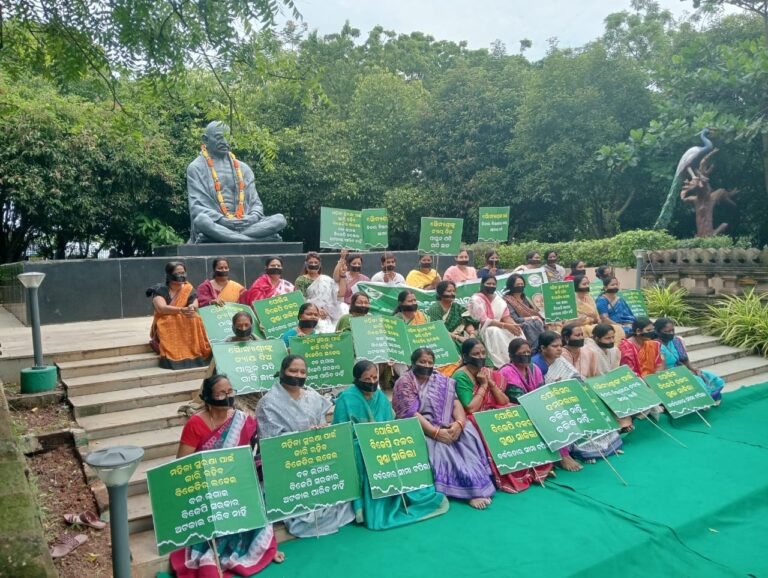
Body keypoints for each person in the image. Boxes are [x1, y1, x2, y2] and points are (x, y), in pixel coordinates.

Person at [171, 374, 283, 576]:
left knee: (259, 492)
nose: (228, 396)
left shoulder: (242, 420)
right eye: (221, 393)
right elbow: (182, 465)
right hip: (206, 484)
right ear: (208, 398)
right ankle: (212, 554)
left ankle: (261, 548)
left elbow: (250, 453)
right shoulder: (195, 424)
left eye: (230, 391)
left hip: (237, 481)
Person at [332, 360, 449, 529]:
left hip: (382, 440)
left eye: (374, 377)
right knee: (362, 453)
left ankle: (404, 495)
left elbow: (389, 423)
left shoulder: (380, 396)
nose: (372, 382)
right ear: (357, 379)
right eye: (367, 379)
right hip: (358, 444)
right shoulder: (347, 398)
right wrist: (366, 439)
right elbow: (341, 433)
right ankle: (368, 508)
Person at [256, 355, 355, 537]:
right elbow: (270, 443)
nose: (298, 375)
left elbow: (322, 422)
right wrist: (302, 436)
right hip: (288, 463)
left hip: (316, 454)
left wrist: (321, 429)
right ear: (282, 372)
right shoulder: (268, 402)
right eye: (293, 371)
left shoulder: (312, 396)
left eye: (303, 372)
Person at [392, 348, 496, 509]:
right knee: (443, 447)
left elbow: (455, 403)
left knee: (468, 433)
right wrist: (436, 433)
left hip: (447, 422)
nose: (426, 365)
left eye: (430, 362)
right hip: (419, 426)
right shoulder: (405, 382)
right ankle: (468, 492)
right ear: (412, 363)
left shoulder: (439, 378)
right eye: (422, 362)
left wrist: (459, 423)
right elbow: (411, 413)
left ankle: (477, 482)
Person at [453, 339, 552, 493]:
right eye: (476, 354)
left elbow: (504, 400)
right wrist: (484, 386)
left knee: (514, 412)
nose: (480, 356)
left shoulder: (488, 372)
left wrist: (491, 384)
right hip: (472, 416)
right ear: (465, 356)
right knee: (486, 422)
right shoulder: (461, 376)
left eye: (483, 353)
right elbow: (470, 408)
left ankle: (528, 467)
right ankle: (508, 473)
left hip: (490, 409)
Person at [186, 121, 286, 243]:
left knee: (280, 220)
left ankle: (221, 238)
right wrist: (222, 220)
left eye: (227, 138)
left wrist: (252, 217)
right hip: (218, 223)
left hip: (245, 223)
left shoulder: (243, 169)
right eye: (219, 137)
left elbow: (256, 203)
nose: (224, 141)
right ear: (205, 140)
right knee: (202, 221)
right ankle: (254, 240)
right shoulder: (196, 168)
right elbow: (197, 207)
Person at [560, 324, 624, 463]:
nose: (581, 338)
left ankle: (609, 447)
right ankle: (589, 453)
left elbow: (594, 377)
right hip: (571, 395)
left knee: (598, 408)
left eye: (582, 334)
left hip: (588, 390)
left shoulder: (589, 352)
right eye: (577, 335)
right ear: (566, 338)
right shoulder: (562, 355)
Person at [529, 331, 585, 472]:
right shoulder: (537, 364)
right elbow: (535, 393)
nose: (559, 349)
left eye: (560, 346)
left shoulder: (559, 360)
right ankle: (563, 456)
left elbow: (575, 377)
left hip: (564, 398)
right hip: (544, 404)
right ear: (542, 348)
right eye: (554, 346)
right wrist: (553, 387)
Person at [147, 261, 211, 369]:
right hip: (164, 324)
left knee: (195, 318)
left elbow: (195, 302)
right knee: (169, 320)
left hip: (184, 320)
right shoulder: (160, 290)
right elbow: (162, 308)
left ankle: (193, 351)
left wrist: (192, 307)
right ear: (169, 275)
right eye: (178, 273)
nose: (182, 275)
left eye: (183, 272)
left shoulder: (188, 289)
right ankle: (175, 354)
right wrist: (181, 310)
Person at [655, 318, 724, 403]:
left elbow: (684, 359)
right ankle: (703, 401)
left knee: (709, 376)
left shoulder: (675, 341)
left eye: (672, 330)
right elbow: (663, 371)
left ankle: (710, 397)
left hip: (681, 368)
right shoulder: (655, 346)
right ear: (658, 332)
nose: (671, 333)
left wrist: (692, 368)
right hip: (669, 374)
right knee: (696, 380)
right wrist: (685, 373)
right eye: (667, 331)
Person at [467, 275, 523, 367]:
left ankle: (518, 358)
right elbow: (484, 321)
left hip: (501, 324)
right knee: (495, 330)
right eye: (488, 283)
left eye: (493, 284)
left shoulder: (498, 299)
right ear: (482, 284)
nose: (491, 286)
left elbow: (506, 317)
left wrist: (513, 325)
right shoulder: (476, 299)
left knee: (517, 331)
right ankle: (503, 363)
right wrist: (506, 326)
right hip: (486, 328)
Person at [590, 323, 635, 433]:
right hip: (596, 386)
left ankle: (627, 422)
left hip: (612, 383)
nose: (611, 341)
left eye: (612, 337)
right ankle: (619, 425)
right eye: (607, 338)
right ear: (596, 338)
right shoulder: (590, 351)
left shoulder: (614, 350)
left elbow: (615, 370)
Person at [294, 252, 342, 332]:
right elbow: (301, 299)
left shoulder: (326, 279)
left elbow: (334, 297)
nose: (313, 264)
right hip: (311, 313)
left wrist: (327, 310)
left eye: (316, 262)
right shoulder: (301, 280)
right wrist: (317, 310)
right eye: (311, 263)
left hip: (329, 312)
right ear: (306, 264)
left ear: (319, 265)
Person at [573, 275, 625, 344]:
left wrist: (594, 318)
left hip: (594, 324)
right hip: (580, 327)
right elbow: (575, 319)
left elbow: (596, 316)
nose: (587, 286)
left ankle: (614, 350)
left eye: (588, 284)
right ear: (576, 285)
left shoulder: (589, 297)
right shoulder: (572, 300)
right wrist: (589, 319)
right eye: (584, 284)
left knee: (617, 329)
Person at [426, 281, 478, 347]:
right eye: (449, 291)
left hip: (461, 338)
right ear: (440, 293)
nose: (452, 294)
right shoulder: (435, 309)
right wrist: (458, 337)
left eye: (454, 291)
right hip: (443, 340)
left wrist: (472, 334)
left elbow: (467, 321)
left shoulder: (457, 307)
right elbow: (437, 330)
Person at [503, 274, 546, 351]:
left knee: (537, 322)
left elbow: (535, 312)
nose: (520, 286)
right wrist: (532, 318)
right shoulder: (508, 300)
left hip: (535, 322)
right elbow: (515, 319)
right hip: (519, 324)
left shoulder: (525, 298)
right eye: (517, 284)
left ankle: (544, 344)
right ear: (511, 286)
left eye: (522, 284)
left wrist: (536, 317)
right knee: (529, 324)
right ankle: (535, 349)